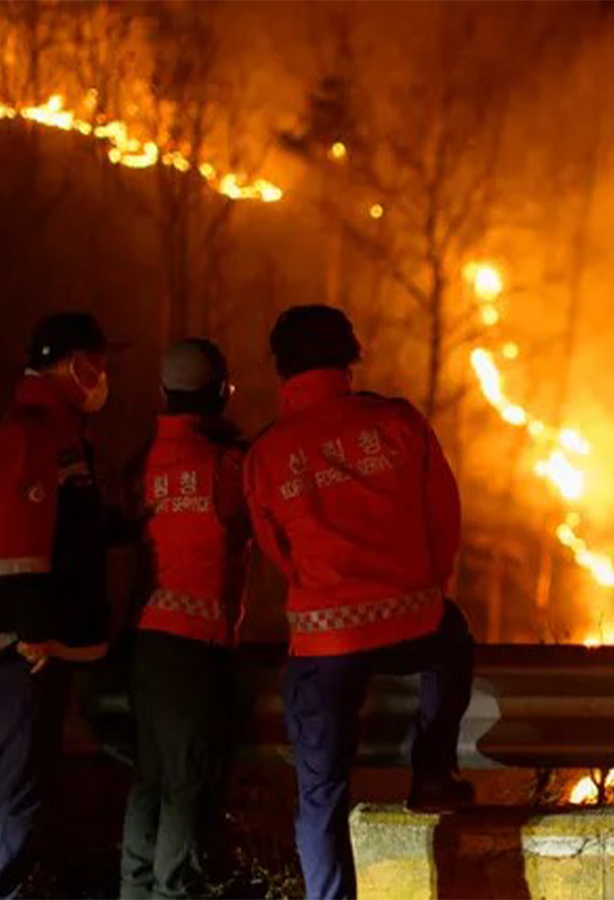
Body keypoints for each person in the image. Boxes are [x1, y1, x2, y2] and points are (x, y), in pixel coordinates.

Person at [243, 305, 474, 900]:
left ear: (282, 368)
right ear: (349, 358)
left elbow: (275, 549)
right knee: (453, 640)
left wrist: (324, 598)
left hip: (323, 640)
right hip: (413, 621)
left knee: (320, 795)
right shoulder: (396, 422)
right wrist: (423, 589)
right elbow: (443, 517)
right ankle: (431, 773)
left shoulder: (266, 453)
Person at [119, 339, 250, 900]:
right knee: (188, 785)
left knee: (149, 780)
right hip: (198, 648)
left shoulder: (141, 462)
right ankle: (174, 892)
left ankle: (134, 888)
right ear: (220, 392)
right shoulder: (227, 467)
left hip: (146, 643)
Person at [0, 312, 113, 898]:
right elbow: (21, 543)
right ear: (75, 364)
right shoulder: (35, 429)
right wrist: (32, 629)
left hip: (37, 641)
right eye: (98, 364)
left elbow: (72, 530)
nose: (104, 378)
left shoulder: (54, 427)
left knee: (27, 782)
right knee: (17, 785)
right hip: (23, 648)